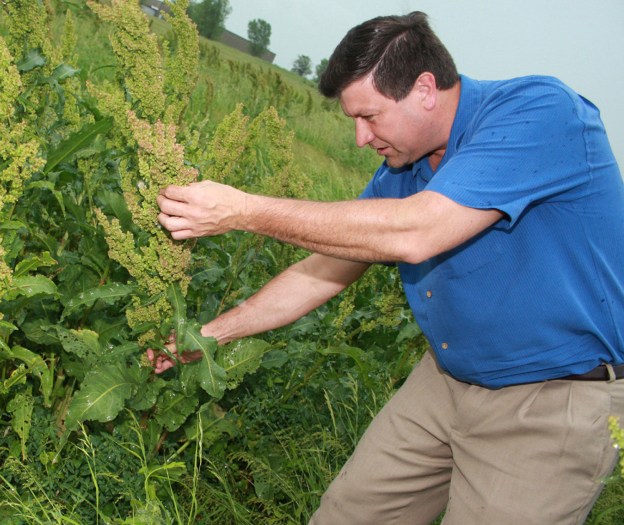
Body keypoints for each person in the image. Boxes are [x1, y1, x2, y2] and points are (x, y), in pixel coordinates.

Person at [151, 11, 624, 525]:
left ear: (425, 88)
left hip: (551, 402)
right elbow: (326, 269)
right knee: (346, 514)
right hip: (445, 380)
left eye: (369, 117)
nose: (360, 138)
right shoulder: (405, 168)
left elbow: (418, 232)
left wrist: (244, 211)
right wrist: (209, 337)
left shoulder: (539, 113)